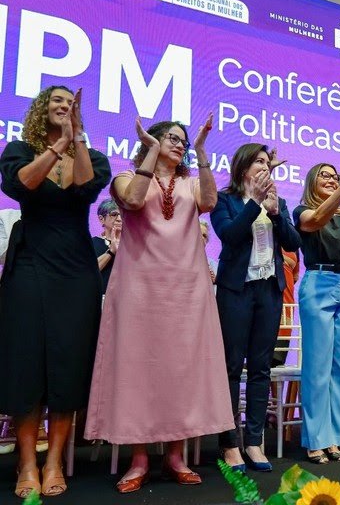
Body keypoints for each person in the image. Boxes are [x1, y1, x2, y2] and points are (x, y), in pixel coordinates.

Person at [84, 114, 233, 492]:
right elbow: (133, 201)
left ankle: (175, 457)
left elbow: (211, 203)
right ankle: (138, 460)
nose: (179, 142)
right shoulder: (126, 178)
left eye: (183, 139)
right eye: (172, 137)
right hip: (139, 288)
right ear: (150, 140)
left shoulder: (190, 182)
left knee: (179, 369)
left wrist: (201, 153)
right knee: (140, 369)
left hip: (186, 289)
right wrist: (150, 152)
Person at [0, 86, 110, 498]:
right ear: (41, 109)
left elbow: (85, 188)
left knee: (67, 365)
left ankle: (54, 461)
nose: (64, 107)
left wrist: (75, 139)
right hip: (29, 263)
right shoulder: (19, 149)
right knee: (28, 363)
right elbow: (21, 185)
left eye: (71, 103)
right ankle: (26, 463)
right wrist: (56, 145)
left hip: (75, 271)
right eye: (57, 101)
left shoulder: (91, 157)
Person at [210, 143, 301, 472]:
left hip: (269, 291)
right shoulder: (225, 200)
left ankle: (254, 441)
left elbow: (293, 242)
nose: (265, 166)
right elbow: (230, 236)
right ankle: (229, 443)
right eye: (258, 161)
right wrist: (255, 203)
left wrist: (276, 214)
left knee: (262, 368)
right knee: (232, 366)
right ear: (243, 168)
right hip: (236, 291)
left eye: (268, 161)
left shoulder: (279, 202)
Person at [293, 162, 340, 464]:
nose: (332, 179)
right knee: (317, 364)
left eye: (335, 176)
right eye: (324, 175)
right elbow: (314, 222)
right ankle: (316, 438)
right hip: (318, 281)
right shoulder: (301, 209)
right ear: (312, 180)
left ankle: (336, 438)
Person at [92, 199, 121, 293]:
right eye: (114, 214)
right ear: (101, 219)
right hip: (101, 298)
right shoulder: (92, 243)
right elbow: (87, 272)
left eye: (123, 214)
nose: (119, 219)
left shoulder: (132, 244)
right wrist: (111, 252)